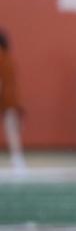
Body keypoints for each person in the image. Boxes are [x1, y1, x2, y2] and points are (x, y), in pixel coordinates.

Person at [0, 29, 25, 171]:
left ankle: (18, 161)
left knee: (11, 130)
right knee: (13, 130)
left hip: (6, 98)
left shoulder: (1, 56)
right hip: (12, 98)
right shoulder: (8, 56)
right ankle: (18, 160)